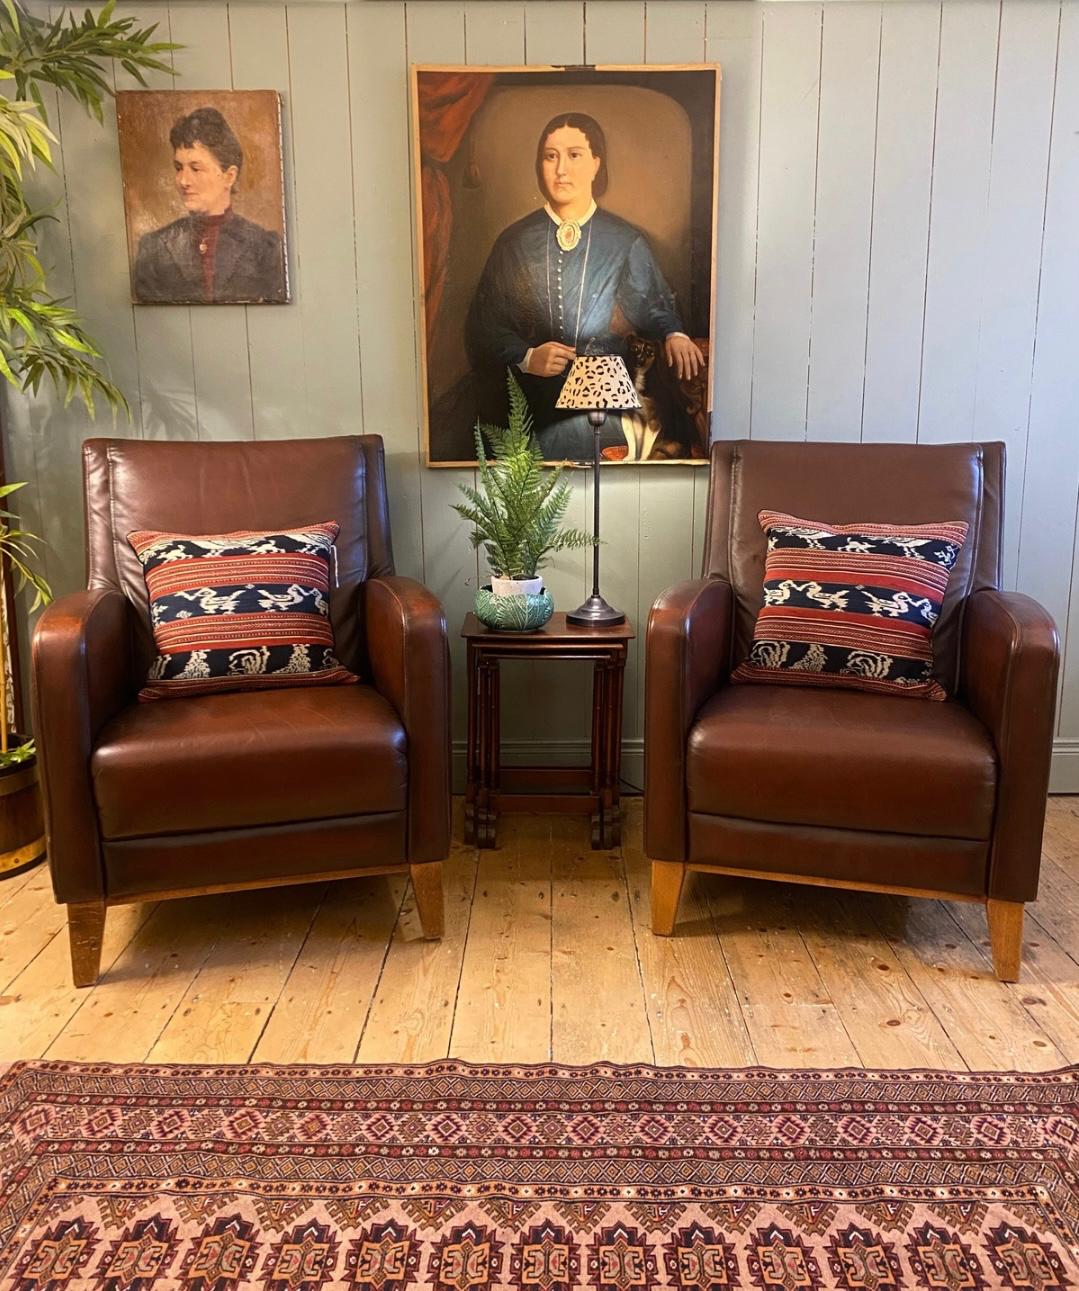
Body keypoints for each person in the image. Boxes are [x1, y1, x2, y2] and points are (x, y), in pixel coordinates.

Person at [465, 112, 703, 459]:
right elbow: (482, 327)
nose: (561, 169)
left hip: (606, 399)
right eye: (551, 156)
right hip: (531, 399)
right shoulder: (514, 242)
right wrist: (527, 356)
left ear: (595, 164)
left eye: (574, 155)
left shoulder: (624, 240)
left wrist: (675, 333)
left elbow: (652, 306)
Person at [133, 106, 287, 305]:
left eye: (196, 169)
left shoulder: (264, 248)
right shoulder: (154, 248)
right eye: (179, 168)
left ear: (229, 176)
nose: (183, 181)